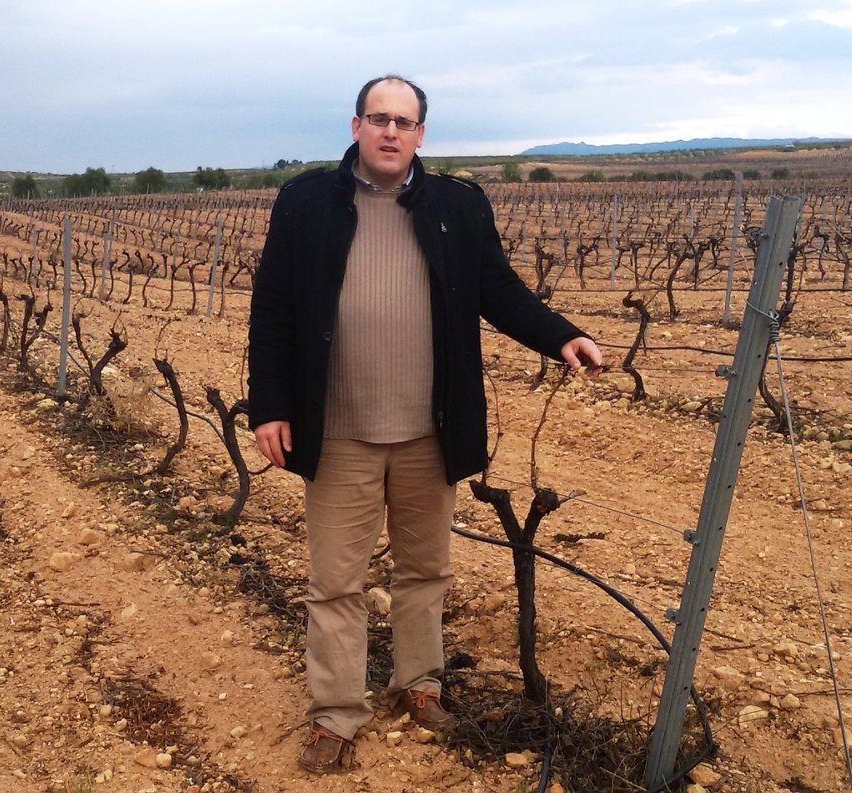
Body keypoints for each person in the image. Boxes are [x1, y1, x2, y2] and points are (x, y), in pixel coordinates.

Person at [247, 75, 603, 774]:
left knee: (425, 569)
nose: (390, 132)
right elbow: (274, 307)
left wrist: (560, 334)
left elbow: (497, 288)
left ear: (420, 135)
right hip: (337, 429)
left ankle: (419, 684)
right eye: (378, 118)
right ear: (356, 126)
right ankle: (335, 714)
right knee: (336, 581)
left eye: (403, 122)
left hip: (428, 429)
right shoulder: (306, 202)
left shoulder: (457, 206)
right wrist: (270, 405)